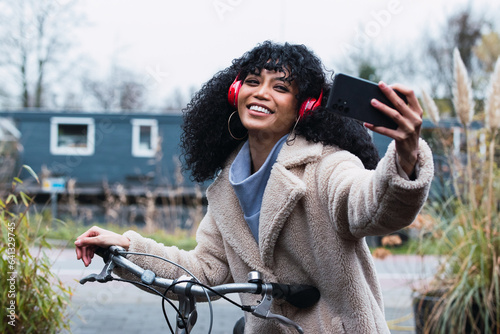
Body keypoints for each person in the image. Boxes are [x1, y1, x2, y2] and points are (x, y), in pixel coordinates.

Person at [75, 41, 434, 333]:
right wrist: (127, 247)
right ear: (235, 92)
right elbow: (205, 270)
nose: (261, 93)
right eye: (252, 81)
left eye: (280, 87)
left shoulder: (328, 165)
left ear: (303, 107)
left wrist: (405, 156)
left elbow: (369, 206)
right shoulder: (226, 185)